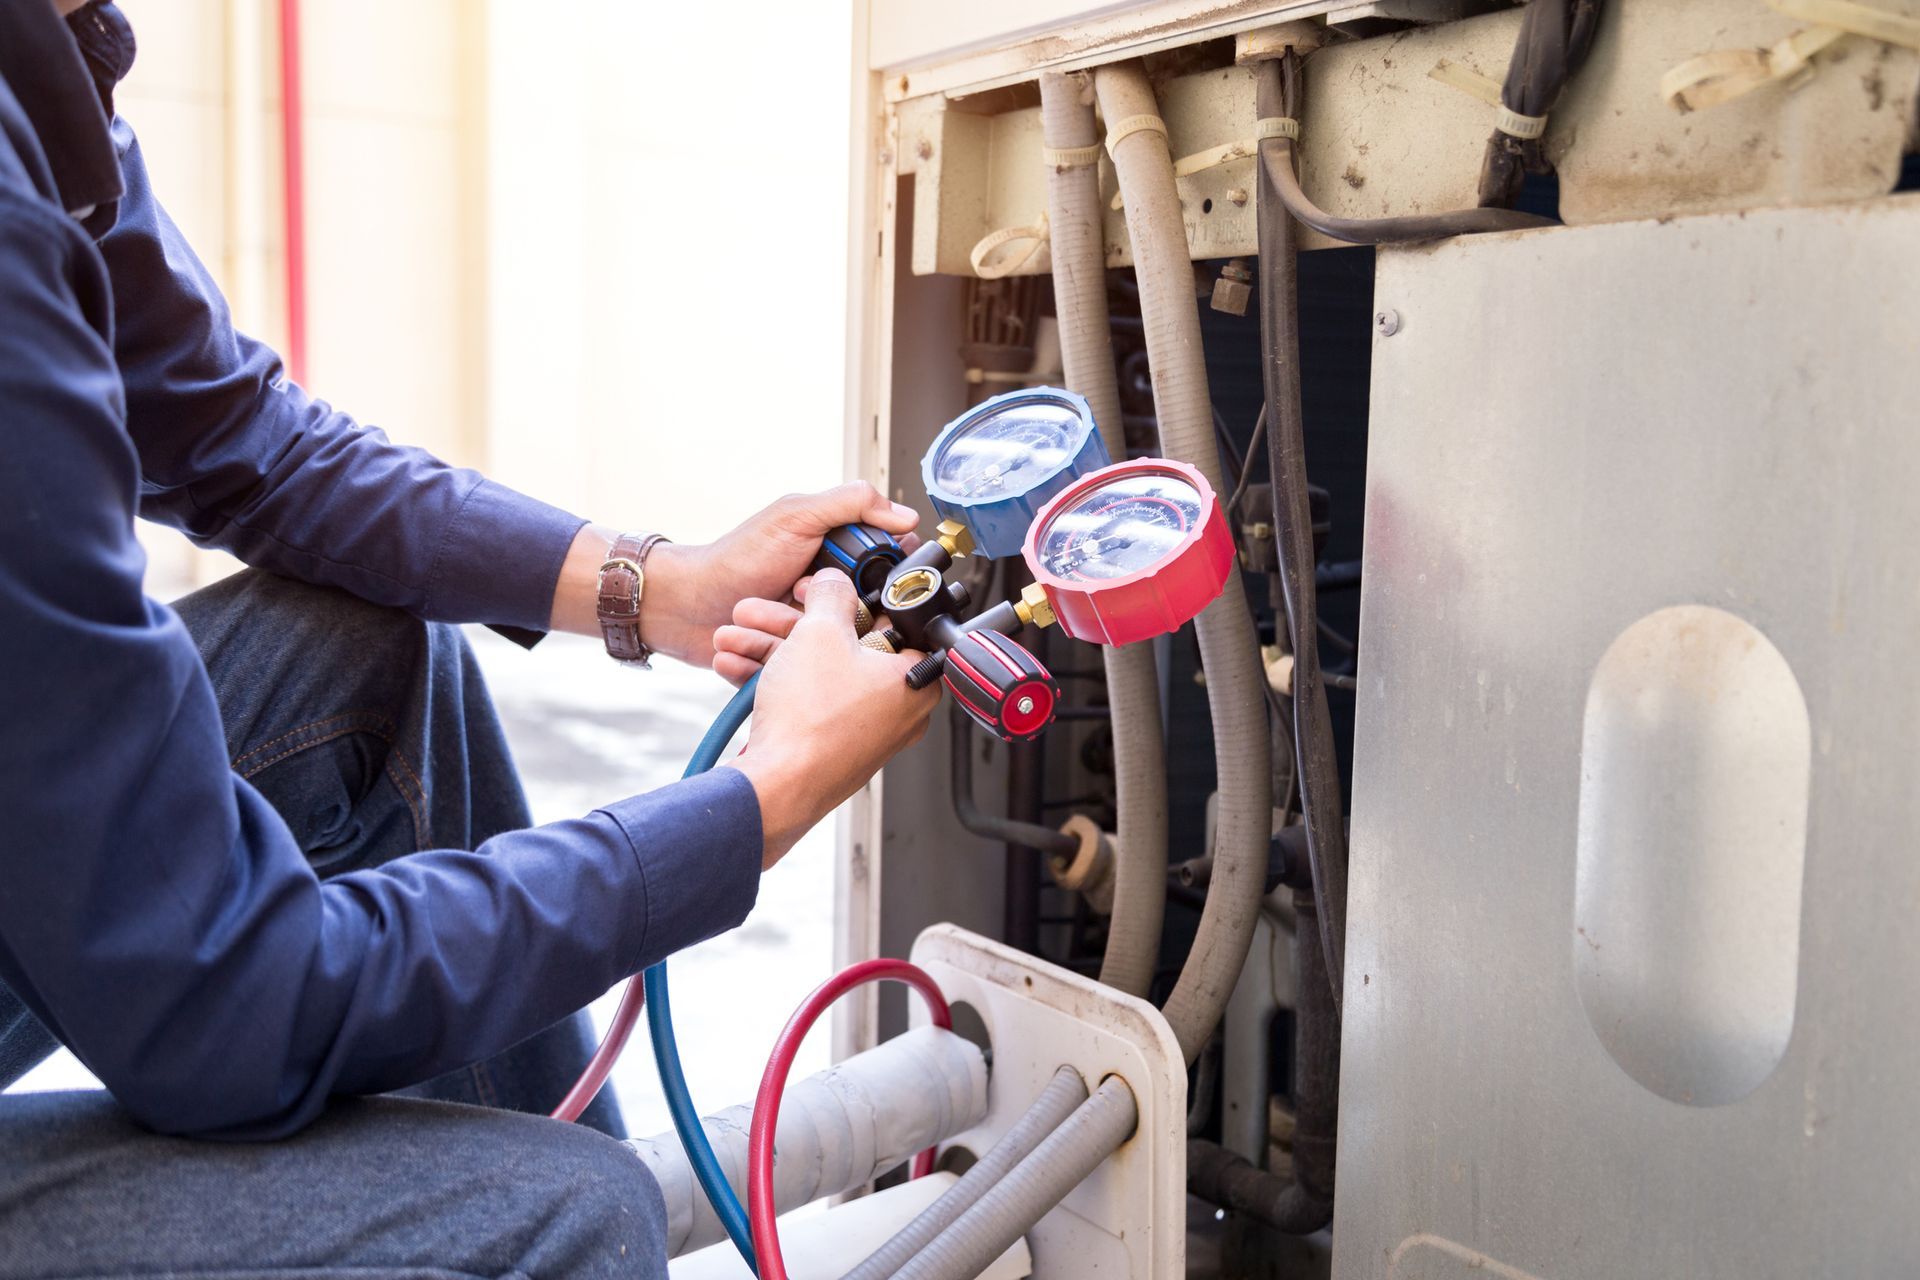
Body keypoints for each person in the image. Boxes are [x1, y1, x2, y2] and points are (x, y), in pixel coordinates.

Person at [0, 1, 939, 1274]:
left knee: (368, 660)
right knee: (564, 1209)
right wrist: (755, 802)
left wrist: (665, 586)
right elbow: (225, 1002)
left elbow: (236, 436)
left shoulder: (43, 79)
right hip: (198, 988)